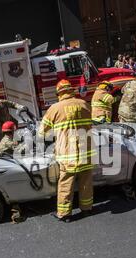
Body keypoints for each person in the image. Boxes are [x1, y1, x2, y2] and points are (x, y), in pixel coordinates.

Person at [38, 79, 95, 223]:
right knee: (86, 182)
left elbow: (42, 132)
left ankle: (65, 214)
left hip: (67, 154)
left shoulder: (55, 108)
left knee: (65, 184)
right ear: (71, 91)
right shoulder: (84, 104)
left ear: (59, 93)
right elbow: (91, 124)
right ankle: (87, 209)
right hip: (86, 152)